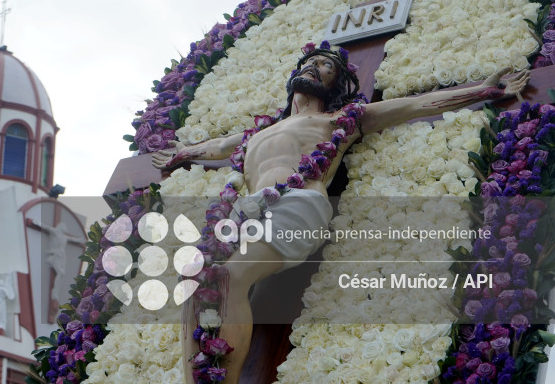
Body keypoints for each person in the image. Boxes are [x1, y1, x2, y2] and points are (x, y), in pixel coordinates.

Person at [152, 42, 529, 384]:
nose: (316, 68)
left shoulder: (338, 121)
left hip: (297, 203)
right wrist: (180, 154)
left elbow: (413, 105)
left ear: (335, 84)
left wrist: (482, 90)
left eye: (326, 67)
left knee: (230, 277)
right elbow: (215, 147)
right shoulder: (255, 134)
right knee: (198, 283)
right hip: (246, 214)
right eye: (311, 62)